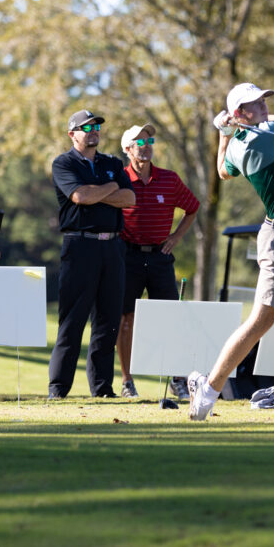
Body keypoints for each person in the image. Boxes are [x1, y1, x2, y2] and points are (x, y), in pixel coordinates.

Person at [189, 82, 274, 423]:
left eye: (263, 99)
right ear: (240, 112)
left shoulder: (243, 142)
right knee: (263, 319)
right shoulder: (260, 141)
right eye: (255, 103)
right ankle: (209, 388)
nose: (263, 105)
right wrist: (236, 127)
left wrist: (225, 132)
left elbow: (221, 171)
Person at [48, 110, 135, 399]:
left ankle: (102, 389)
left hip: (112, 246)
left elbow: (130, 198)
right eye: (87, 127)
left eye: (97, 125)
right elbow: (79, 197)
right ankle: (58, 389)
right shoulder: (63, 163)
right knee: (73, 320)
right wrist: (112, 188)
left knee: (108, 321)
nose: (94, 130)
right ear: (72, 133)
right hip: (80, 246)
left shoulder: (112, 162)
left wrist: (99, 191)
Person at [116, 122, 200, 398]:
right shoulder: (119, 178)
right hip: (127, 256)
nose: (146, 147)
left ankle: (177, 379)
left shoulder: (169, 179)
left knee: (170, 318)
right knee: (125, 318)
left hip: (160, 257)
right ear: (128, 149)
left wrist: (176, 237)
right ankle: (127, 381)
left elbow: (192, 208)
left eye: (149, 142)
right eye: (140, 143)